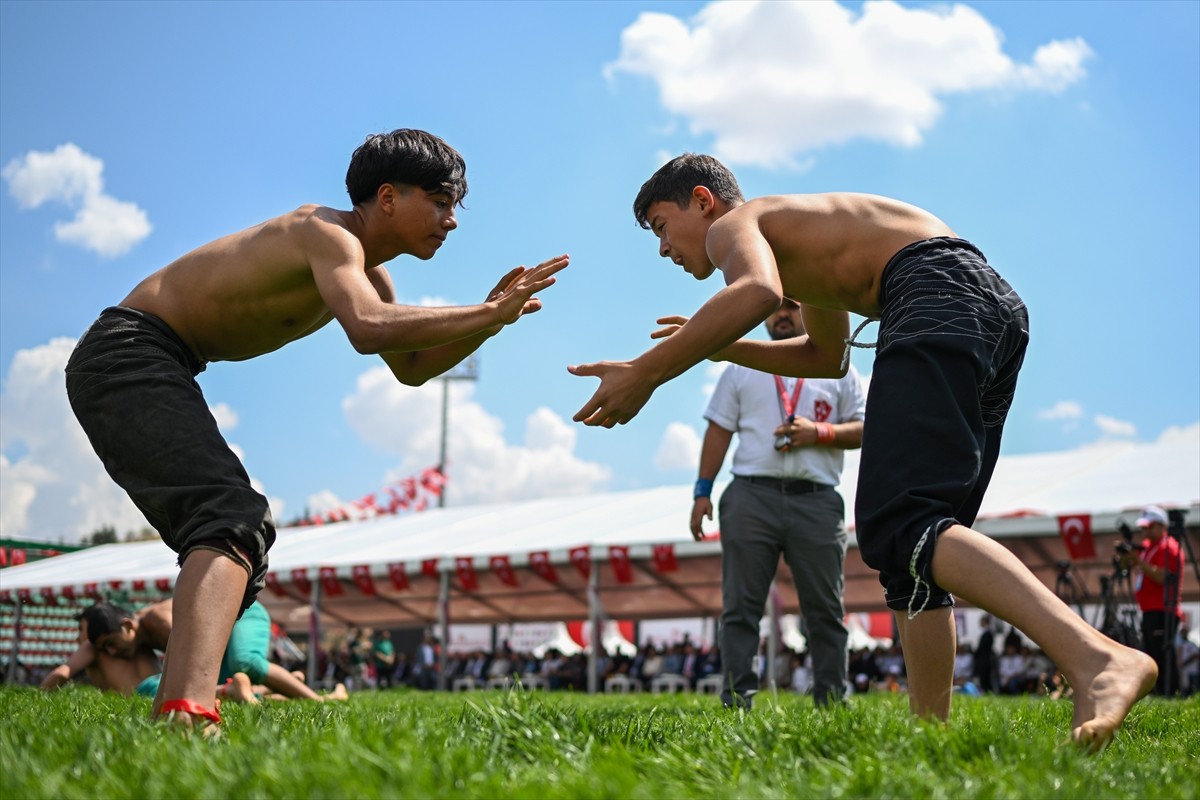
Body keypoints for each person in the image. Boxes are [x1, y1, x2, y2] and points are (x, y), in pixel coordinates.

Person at [569, 153, 1156, 749]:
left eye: (662, 227)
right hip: (988, 304)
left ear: (702, 200)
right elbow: (828, 358)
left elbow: (756, 291)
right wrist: (723, 349)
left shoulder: (735, 224)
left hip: (931, 292)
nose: (663, 249)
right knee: (918, 553)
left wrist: (646, 371)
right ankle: (930, 740)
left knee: (901, 524)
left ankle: (1095, 657)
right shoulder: (799, 246)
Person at [63, 129, 567, 728]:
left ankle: (178, 711)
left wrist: (491, 322)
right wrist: (485, 312)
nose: (451, 220)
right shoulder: (325, 233)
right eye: (439, 202)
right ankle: (187, 709)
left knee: (240, 539)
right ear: (387, 197)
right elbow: (368, 327)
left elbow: (410, 367)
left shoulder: (368, 271)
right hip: (127, 351)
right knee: (229, 518)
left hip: (155, 359)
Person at [691, 298, 865, 708]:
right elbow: (719, 429)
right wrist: (702, 491)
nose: (781, 314)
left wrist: (820, 432)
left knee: (825, 609)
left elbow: (866, 428)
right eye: (774, 307)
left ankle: (831, 701)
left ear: (809, 309)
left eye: (792, 305)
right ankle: (737, 702)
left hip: (816, 499)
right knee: (740, 607)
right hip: (750, 495)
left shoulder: (839, 367)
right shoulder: (741, 366)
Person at [42, 600, 345, 703]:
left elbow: (204, 643)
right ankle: (287, 683)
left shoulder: (159, 621)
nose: (112, 651)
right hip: (219, 632)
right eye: (104, 649)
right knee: (230, 683)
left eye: (111, 643)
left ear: (127, 626)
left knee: (245, 663)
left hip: (242, 613)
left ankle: (323, 701)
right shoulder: (138, 636)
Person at [1116, 505, 1184, 695]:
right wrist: (1125, 556)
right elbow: (1126, 567)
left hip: (1164, 609)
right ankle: (1158, 692)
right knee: (1152, 652)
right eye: (1143, 527)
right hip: (1148, 609)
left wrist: (1138, 560)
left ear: (1162, 526)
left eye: (1149, 527)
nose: (1145, 531)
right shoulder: (1147, 547)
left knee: (1162, 653)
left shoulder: (1169, 547)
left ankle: (1171, 692)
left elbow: (1161, 577)